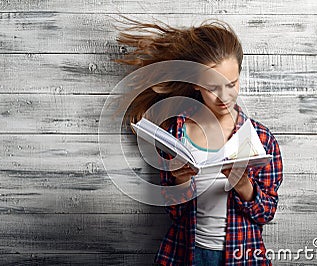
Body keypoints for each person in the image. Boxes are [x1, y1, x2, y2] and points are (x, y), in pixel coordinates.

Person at [113, 16, 283, 266]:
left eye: (231, 84)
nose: (223, 97)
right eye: (212, 87)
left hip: (242, 254)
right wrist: (181, 183)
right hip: (186, 254)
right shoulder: (176, 135)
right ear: (195, 85)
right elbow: (176, 213)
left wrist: (243, 185)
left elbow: (266, 212)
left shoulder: (261, 138)